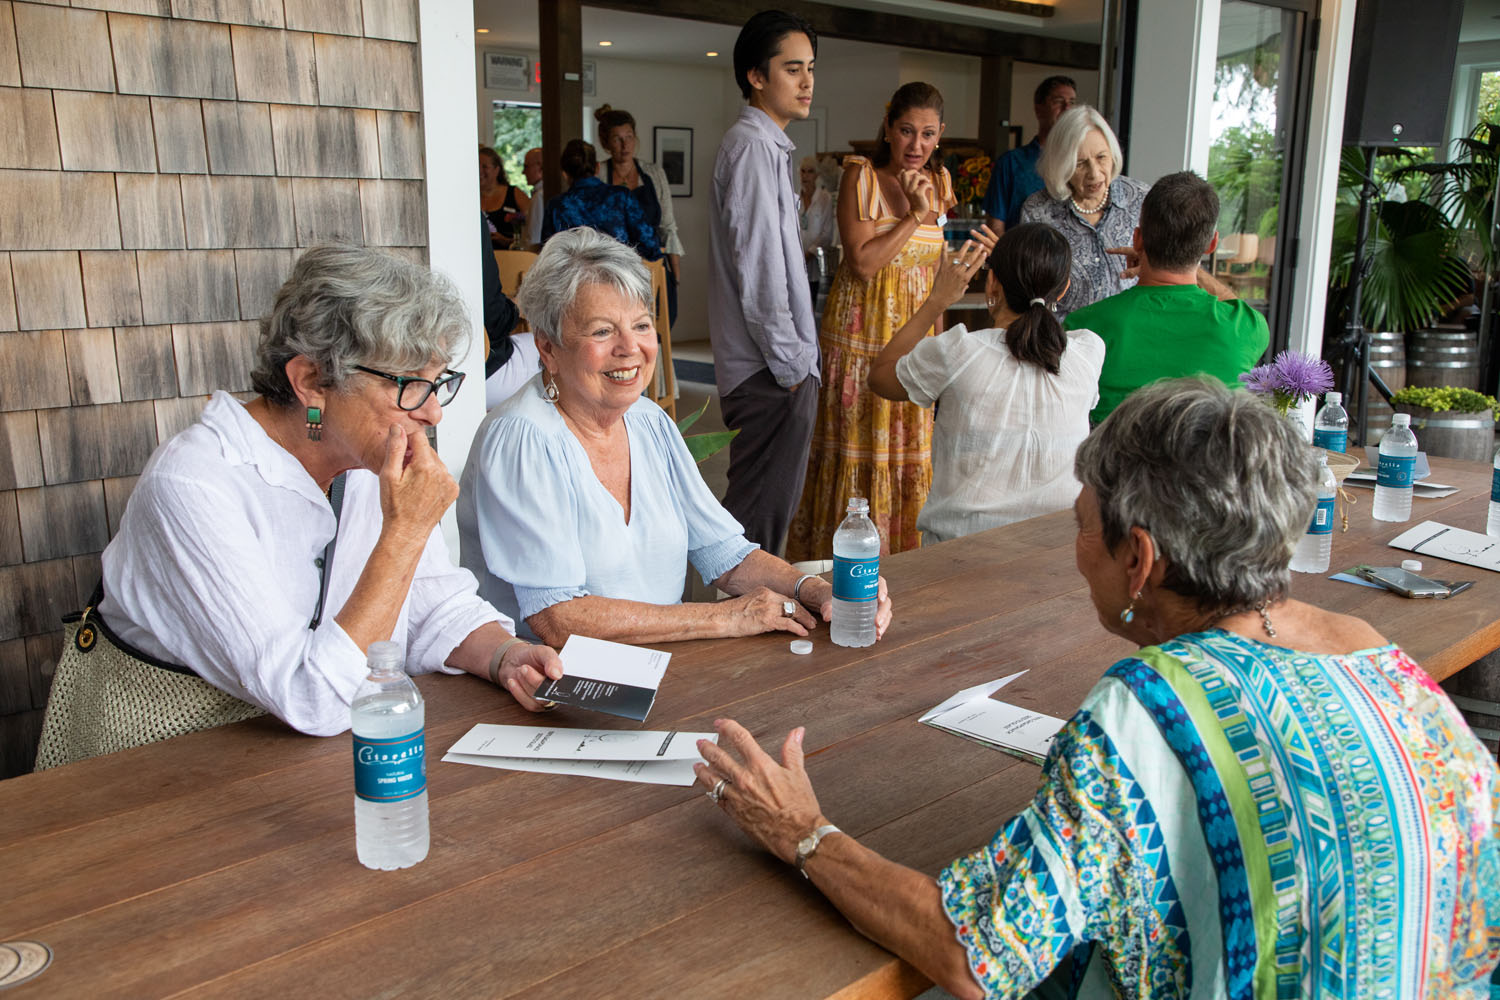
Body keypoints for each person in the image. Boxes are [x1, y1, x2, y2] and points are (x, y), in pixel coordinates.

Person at [693, 377, 1500, 999]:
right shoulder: (1375, 654)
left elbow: (975, 955)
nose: (1076, 549)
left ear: (1139, 559)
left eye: (1081, 526)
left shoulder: (1150, 703)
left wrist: (803, 832)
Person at [41, 244, 563, 755]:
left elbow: (431, 605)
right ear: (311, 381)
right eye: (409, 385)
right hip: (159, 772)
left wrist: (505, 655)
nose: (433, 413)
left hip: (303, 765)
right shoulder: (193, 483)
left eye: (437, 383)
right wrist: (405, 531)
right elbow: (312, 699)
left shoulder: (364, 461)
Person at [456, 228, 892, 647]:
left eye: (641, 325)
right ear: (548, 348)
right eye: (602, 331)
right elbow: (557, 620)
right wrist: (727, 617)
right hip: (549, 678)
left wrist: (815, 590)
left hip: (659, 661)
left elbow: (725, 555)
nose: (630, 347)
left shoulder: (649, 422)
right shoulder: (522, 439)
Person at [787, 82, 993, 560]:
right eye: (906, 131)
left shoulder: (941, 182)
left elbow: (936, 276)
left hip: (914, 343)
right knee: (856, 458)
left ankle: (904, 572)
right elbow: (862, 264)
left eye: (927, 134)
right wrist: (914, 216)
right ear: (887, 128)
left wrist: (940, 353)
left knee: (909, 456)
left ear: (940, 134)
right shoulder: (860, 176)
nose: (916, 145)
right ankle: (841, 572)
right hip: (860, 341)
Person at [868, 223, 1103, 543]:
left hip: (962, 549)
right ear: (1063, 291)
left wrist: (936, 301)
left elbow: (880, 377)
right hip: (1059, 548)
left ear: (992, 283)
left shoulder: (959, 352)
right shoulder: (1088, 353)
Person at [708, 9, 821, 556]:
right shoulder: (752, 147)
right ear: (756, 76)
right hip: (768, 372)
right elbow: (760, 272)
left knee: (763, 522)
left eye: (810, 68)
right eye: (791, 69)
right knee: (756, 529)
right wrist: (793, 366)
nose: (806, 82)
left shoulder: (766, 145)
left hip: (772, 369)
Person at [1066, 171, 1267, 424]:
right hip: (1207, 452)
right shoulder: (1245, 327)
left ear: (1137, 239)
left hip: (1115, 450)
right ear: (1211, 244)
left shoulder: (1082, 327)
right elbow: (1231, 302)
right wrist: (1196, 268)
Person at [1020, 105, 1147, 318]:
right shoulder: (1038, 211)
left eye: (1101, 157)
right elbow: (1029, 290)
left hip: (1131, 330)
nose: (1094, 173)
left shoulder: (1141, 199)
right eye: (1080, 163)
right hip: (1065, 334)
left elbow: (1172, 269)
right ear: (1061, 165)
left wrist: (1153, 265)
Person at [595, 105, 684, 323]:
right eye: (617, 139)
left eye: (629, 137)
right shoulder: (599, 173)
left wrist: (675, 274)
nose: (625, 145)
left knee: (661, 323)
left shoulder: (653, 173)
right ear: (606, 143)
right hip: (613, 269)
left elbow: (668, 226)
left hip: (653, 266)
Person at [981, 75, 1076, 236]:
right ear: (1039, 109)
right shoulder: (1011, 163)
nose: (1067, 108)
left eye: (1072, 102)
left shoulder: (1079, 162)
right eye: (1058, 101)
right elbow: (995, 227)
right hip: (1021, 250)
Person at [542, 139, 662, 262]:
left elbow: (548, 254)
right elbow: (650, 245)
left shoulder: (556, 206)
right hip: (619, 271)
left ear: (564, 174)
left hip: (574, 273)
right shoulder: (621, 196)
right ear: (597, 167)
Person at [798, 154, 835, 298]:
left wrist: (809, 254)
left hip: (816, 264)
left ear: (817, 175)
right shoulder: (795, 198)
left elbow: (827, 234)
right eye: (803, 171)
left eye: (810, 171)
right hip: (796, 259)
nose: (805, 175)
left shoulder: (825, 198)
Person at [479, 145, 529, 248]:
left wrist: (507, 241)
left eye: (484, 167)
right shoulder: (467, 199)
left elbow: (532, 231)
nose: (479, 171)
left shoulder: (514, 193)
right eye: (476, 166)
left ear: (497, 170)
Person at [522, 146, 545, 249]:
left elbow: (533, 239)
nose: (523, 172)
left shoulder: (539, 197)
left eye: (526, 166)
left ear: (540, 167)